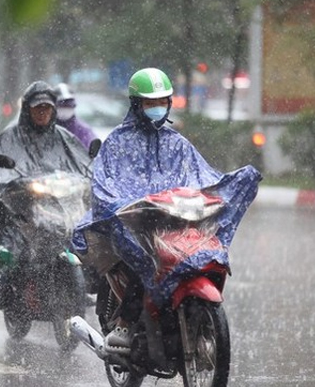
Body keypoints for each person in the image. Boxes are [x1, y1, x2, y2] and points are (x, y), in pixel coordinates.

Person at [72, 68, 261, 354]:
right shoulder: (117, 143)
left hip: (171, 220)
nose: (157, 107)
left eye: (162, 101)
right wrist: (119, 205)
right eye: (150, 102)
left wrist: (224, 190)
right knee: (147, 260)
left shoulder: (177, 143)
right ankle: (125, 322)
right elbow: (103, 185)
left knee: (199, 254)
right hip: (132, 223)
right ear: (137, 104)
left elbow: (202, 177)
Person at [0, 81, 91, 307]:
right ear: (27, 109)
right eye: (38, 108)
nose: (42, 113)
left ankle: (78, 286)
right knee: (12, 240)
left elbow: (83, 166)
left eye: (47, 108)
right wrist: (17, 184)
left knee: (81, 234)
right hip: (22, 210)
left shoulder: (64, 137)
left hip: (57, 208)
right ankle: (5, 285)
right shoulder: (9, 138)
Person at [54, 83, 98, 150]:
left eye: (69, 104)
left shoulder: (84, 131)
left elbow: (93, 152)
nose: (65, 108)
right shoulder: (45, 129)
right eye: (61, 105)